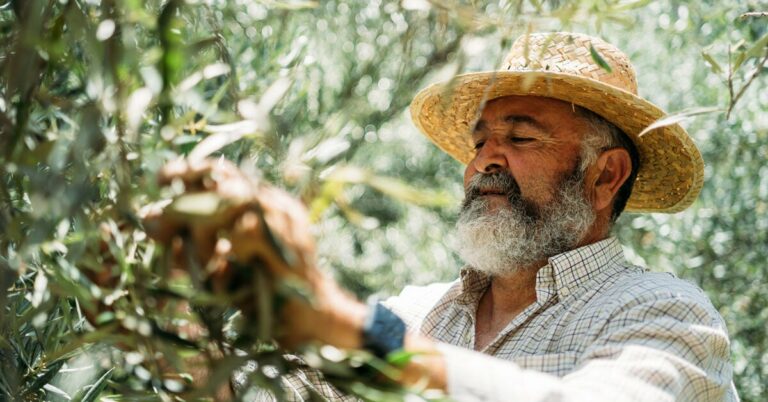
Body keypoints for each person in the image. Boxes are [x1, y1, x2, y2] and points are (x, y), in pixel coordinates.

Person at [152, 32, 738, 401]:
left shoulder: (666, 314)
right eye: (480, 143)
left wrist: (341, 321)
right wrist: (168, 304)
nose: (485, 162)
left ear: (605, 176)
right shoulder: (422, 314)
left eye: (520, 138)